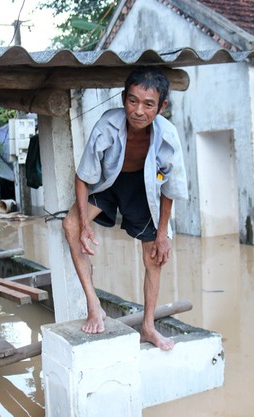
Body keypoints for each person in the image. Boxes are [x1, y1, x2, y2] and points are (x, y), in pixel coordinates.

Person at [62, 66, 188, 351]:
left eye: (148, 104)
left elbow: (170, 188)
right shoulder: (108, 125)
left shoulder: (167, 136)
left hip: (144, 188)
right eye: (133, 101)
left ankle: (148, 327)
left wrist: (163, 233)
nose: (139, 111)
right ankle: (95, 307)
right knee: (69, 226)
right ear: (123, 99)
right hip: (109, 182)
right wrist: (84, 225)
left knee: (154, 256)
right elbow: (83, 177)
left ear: (162, 106)